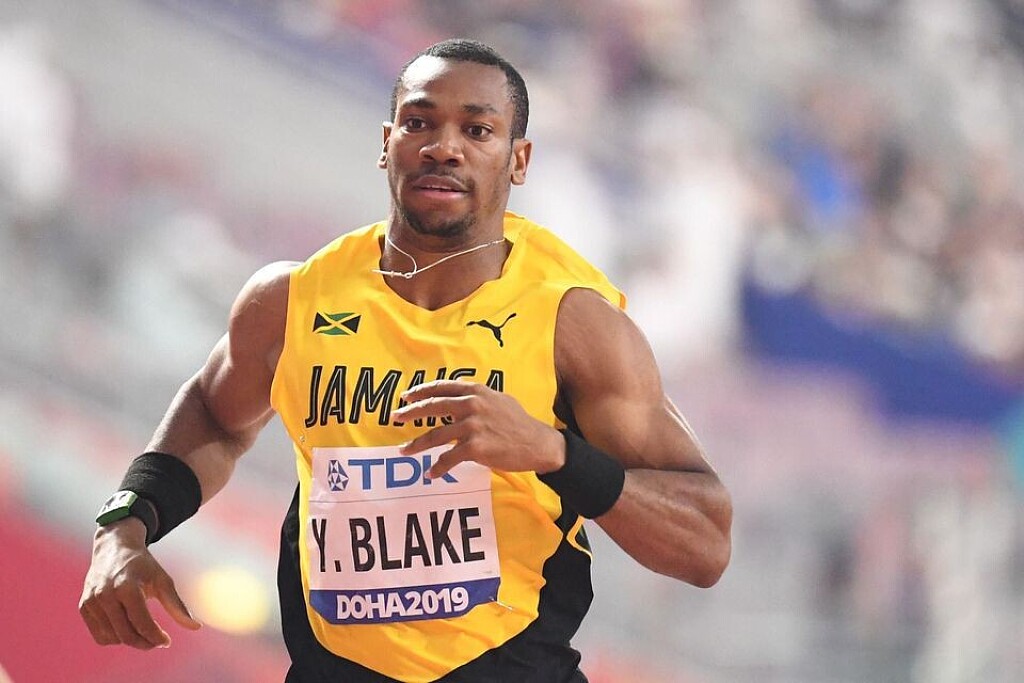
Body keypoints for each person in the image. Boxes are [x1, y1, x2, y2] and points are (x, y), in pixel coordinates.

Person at [79, 39, 732, 683]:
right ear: (386, 141)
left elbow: (705, 542)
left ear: (519, 159)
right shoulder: (295, 298)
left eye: (477, 130)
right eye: (419, 122)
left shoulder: (573, 323)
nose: (444, 147)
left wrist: (556, 453)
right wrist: (124, 525)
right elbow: (215, 415)